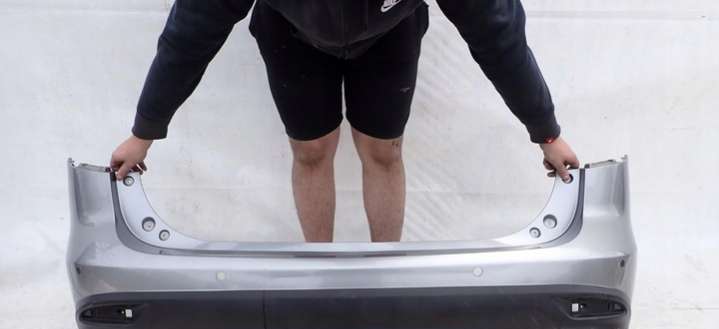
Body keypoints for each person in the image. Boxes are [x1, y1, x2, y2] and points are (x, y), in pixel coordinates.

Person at [111, 0, 579, 242]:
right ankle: (322, 272)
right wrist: (144, 131)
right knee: (311, 151)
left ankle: (385, 274)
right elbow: (188, 37)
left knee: (383, 151)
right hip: (292, 31)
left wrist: (546, 131)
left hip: (388, 32)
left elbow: (498, 35)